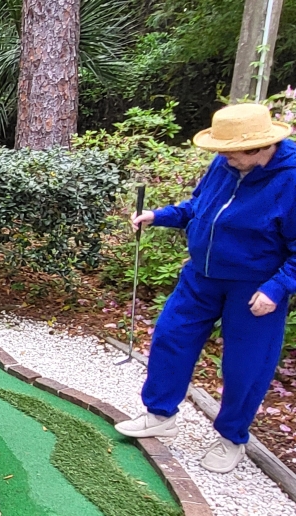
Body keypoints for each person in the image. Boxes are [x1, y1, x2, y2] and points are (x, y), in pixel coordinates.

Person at [115, 103, 296, 474]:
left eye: (230, 152)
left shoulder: (291, 179)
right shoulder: (227, 163)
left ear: (261, 148)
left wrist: (278, 287)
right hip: (200, 274)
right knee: (170, 335)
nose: (223, 157)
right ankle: (160, 414)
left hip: (255, 285)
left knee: (246, 365)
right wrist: (159, 215)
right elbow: (200, 205)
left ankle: (232, 438)